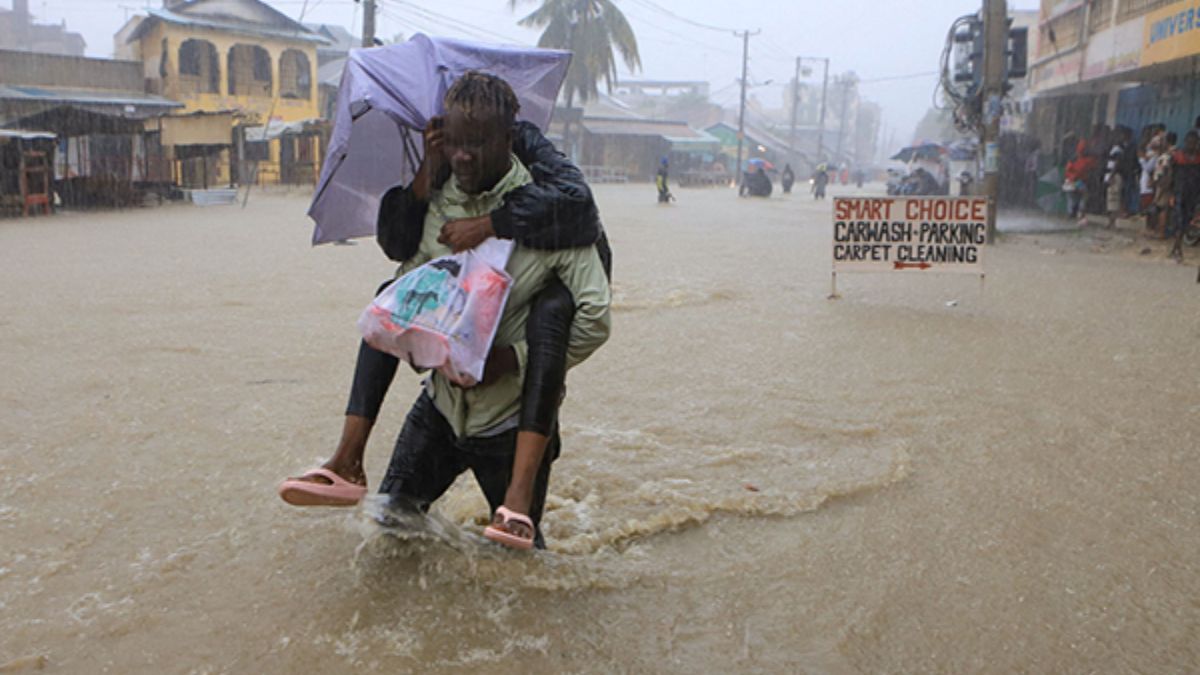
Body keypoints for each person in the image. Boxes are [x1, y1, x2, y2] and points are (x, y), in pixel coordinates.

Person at [281, 72, 611, 550]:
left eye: (476, 144)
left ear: (507, 139)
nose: (463, 157)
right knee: (392, 530)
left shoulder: (551, 212)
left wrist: (509, 359)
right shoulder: (440, 199)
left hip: (510, 419)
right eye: (454, 143)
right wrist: (415, 337)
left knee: (517, 565)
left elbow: (595, 319)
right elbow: (413, 277)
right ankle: (347, 460)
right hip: (441, 407)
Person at [1170, 130, 1200, 257]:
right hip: (1179, 192)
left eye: (1194, 143)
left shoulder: (1198, 158)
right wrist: (1171, 193)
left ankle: (1176, 247)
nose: (1191, 145)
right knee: (1179, 219)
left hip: (1193, 193)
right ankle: (1177, 248)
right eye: (1189, 142)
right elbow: (1172, 176)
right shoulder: (1178, 157)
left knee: (1187, 220)